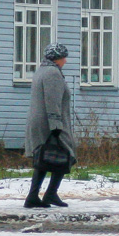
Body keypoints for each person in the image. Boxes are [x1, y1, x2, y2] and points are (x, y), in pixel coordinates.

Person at [24, 43, 75, 209]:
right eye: (63, 57)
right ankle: (49, 194)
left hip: (39, 121)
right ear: (57, 58)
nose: (65, 61)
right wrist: (56, 126)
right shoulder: (53, 73)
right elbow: (52, 101)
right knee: (63, 155)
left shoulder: (42, 70)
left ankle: (35, 196)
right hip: (49, 122)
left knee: (44, 158)